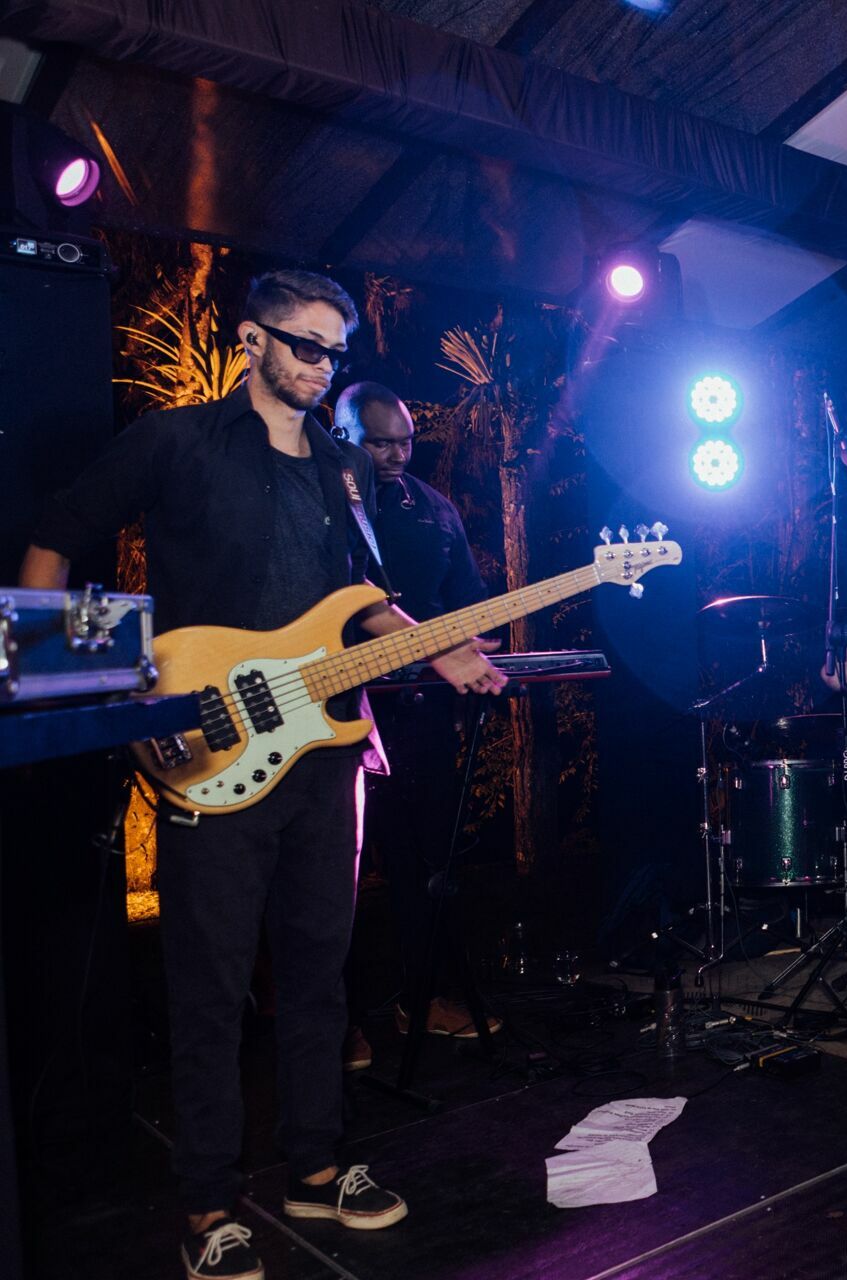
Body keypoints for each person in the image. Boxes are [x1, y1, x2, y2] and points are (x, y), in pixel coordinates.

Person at [20, 271, 505, 1280]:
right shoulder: (176, 441)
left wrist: (438, 644)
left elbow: (358, 599)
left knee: (320, 965)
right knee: (209, 982)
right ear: (251, 340)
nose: (323, 367)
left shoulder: (342, 466)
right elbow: (56, 534)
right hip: (211, 744)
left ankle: (317, 1164)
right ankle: (205, 1202)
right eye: (305, 346)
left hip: (323, 750)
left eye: (336, 351)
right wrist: (68, 686)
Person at [335, 382, 502, 1068]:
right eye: (379, 442)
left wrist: (475, 637)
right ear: (342, 433)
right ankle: (333, 1018)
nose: (397, 454)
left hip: (424, 713)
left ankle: (421, 996)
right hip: (336, 710)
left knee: (426, 863)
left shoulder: (433, 510)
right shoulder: (319, 503)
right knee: (331, 875)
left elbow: (465, 603)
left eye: (405, 440)